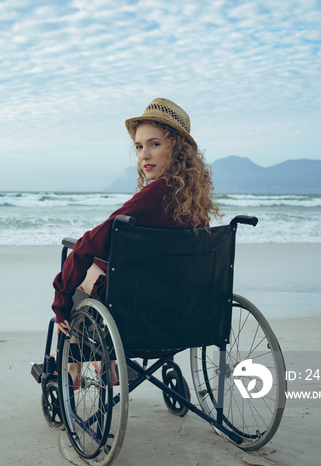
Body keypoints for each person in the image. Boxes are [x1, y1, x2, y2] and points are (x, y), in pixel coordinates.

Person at [52, 98, 221, 334]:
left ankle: (74, 356)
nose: (144, 155)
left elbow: (89, 245)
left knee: (79, 259)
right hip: (183, 316)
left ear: (178, 148)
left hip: (138, 317)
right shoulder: (194, 201)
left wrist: (60, 304)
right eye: (139, 146)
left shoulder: (153, 196)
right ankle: (97, 361)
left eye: (154, 144)